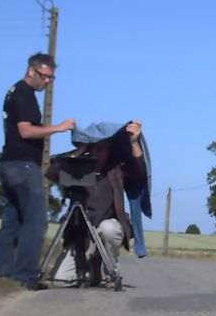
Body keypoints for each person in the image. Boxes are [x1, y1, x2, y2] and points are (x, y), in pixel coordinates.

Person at [0, 53, 75, 288]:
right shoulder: (25, 95)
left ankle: (1, 273)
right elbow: (26, 131)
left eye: (51, 78)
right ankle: (25, 276)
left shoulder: (14, 91)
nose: (47, 82)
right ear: (32, 71)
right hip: (24, 165)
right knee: (36, 222)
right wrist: (58, 128)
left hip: (9, 163)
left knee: (12, 221)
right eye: (45, 77)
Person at [52, 121, 149, 285]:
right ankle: (91, 267)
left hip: (105, 228)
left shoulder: (115, 168)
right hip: (81, 235)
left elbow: (139, 173)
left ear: (109, 150)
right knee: (60, 280)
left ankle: (110, 271)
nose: (98, 153)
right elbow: (52, 173)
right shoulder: (79, 167)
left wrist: (134, 143)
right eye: (94, 148)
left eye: (102, 149)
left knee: (109, 229)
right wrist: (80, 150)